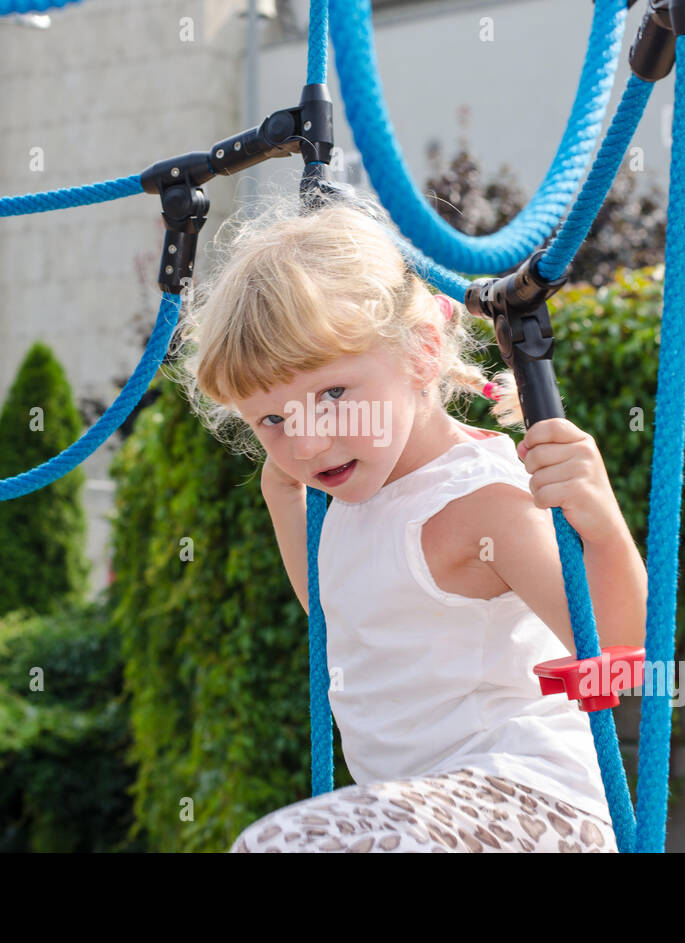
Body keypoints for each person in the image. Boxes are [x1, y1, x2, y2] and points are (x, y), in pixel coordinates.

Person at [167, 184, 648, 853]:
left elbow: (620, 653)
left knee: (282, 847)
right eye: (271, 419)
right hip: (427, 818)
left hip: (535, 806)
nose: (305, 442)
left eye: (332, 394)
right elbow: (339, 611)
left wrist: (600, 521)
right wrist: (283, 496)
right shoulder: (349, 498)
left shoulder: (477, 502)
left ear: (422, 352)